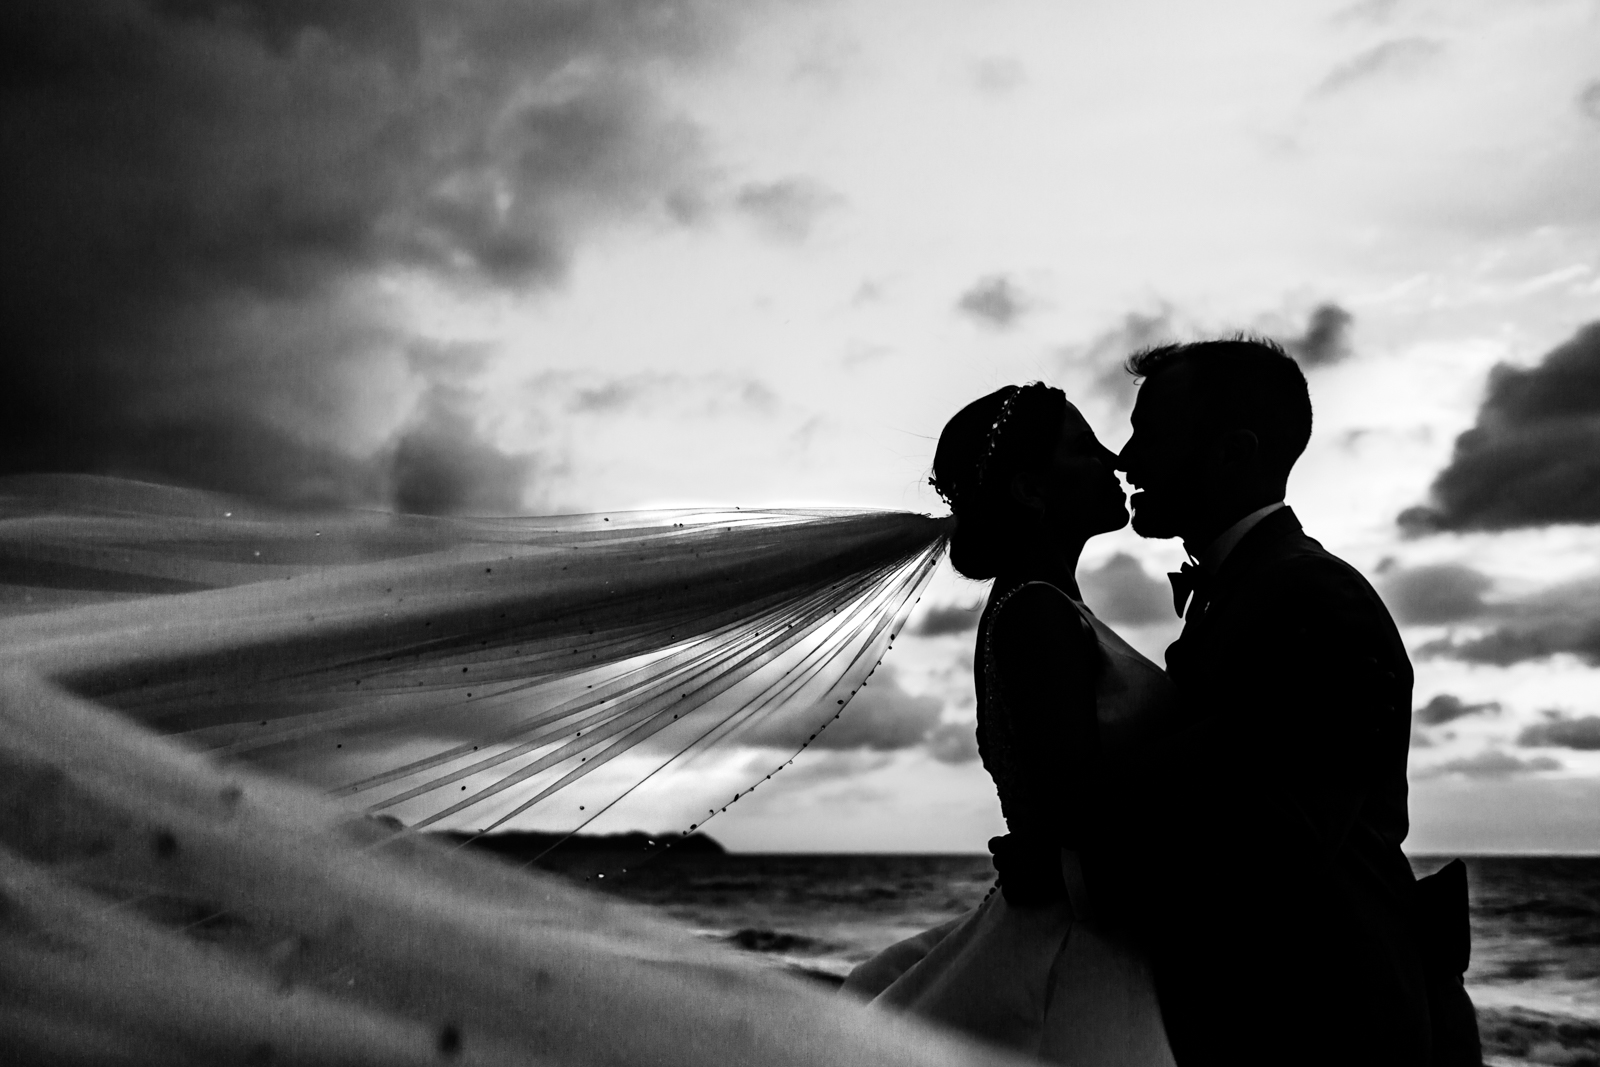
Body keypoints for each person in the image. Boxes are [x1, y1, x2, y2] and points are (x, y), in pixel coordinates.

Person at [1087, 338, 1480, 1066]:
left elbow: (1272, 840)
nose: (1124, 457)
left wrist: (1080, 840)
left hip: (1325, 1026)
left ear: (1235, 452)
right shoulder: (1248, 591)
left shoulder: (1315, 600)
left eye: (1151, 432)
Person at [842, 382, 1179, 1067]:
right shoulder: (1034, 615)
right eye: (1084, 447)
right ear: (1030, 489)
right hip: (1074, 946)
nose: (1114, 457)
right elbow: (1080, 810)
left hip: (1071, 922)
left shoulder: (1037, 606)